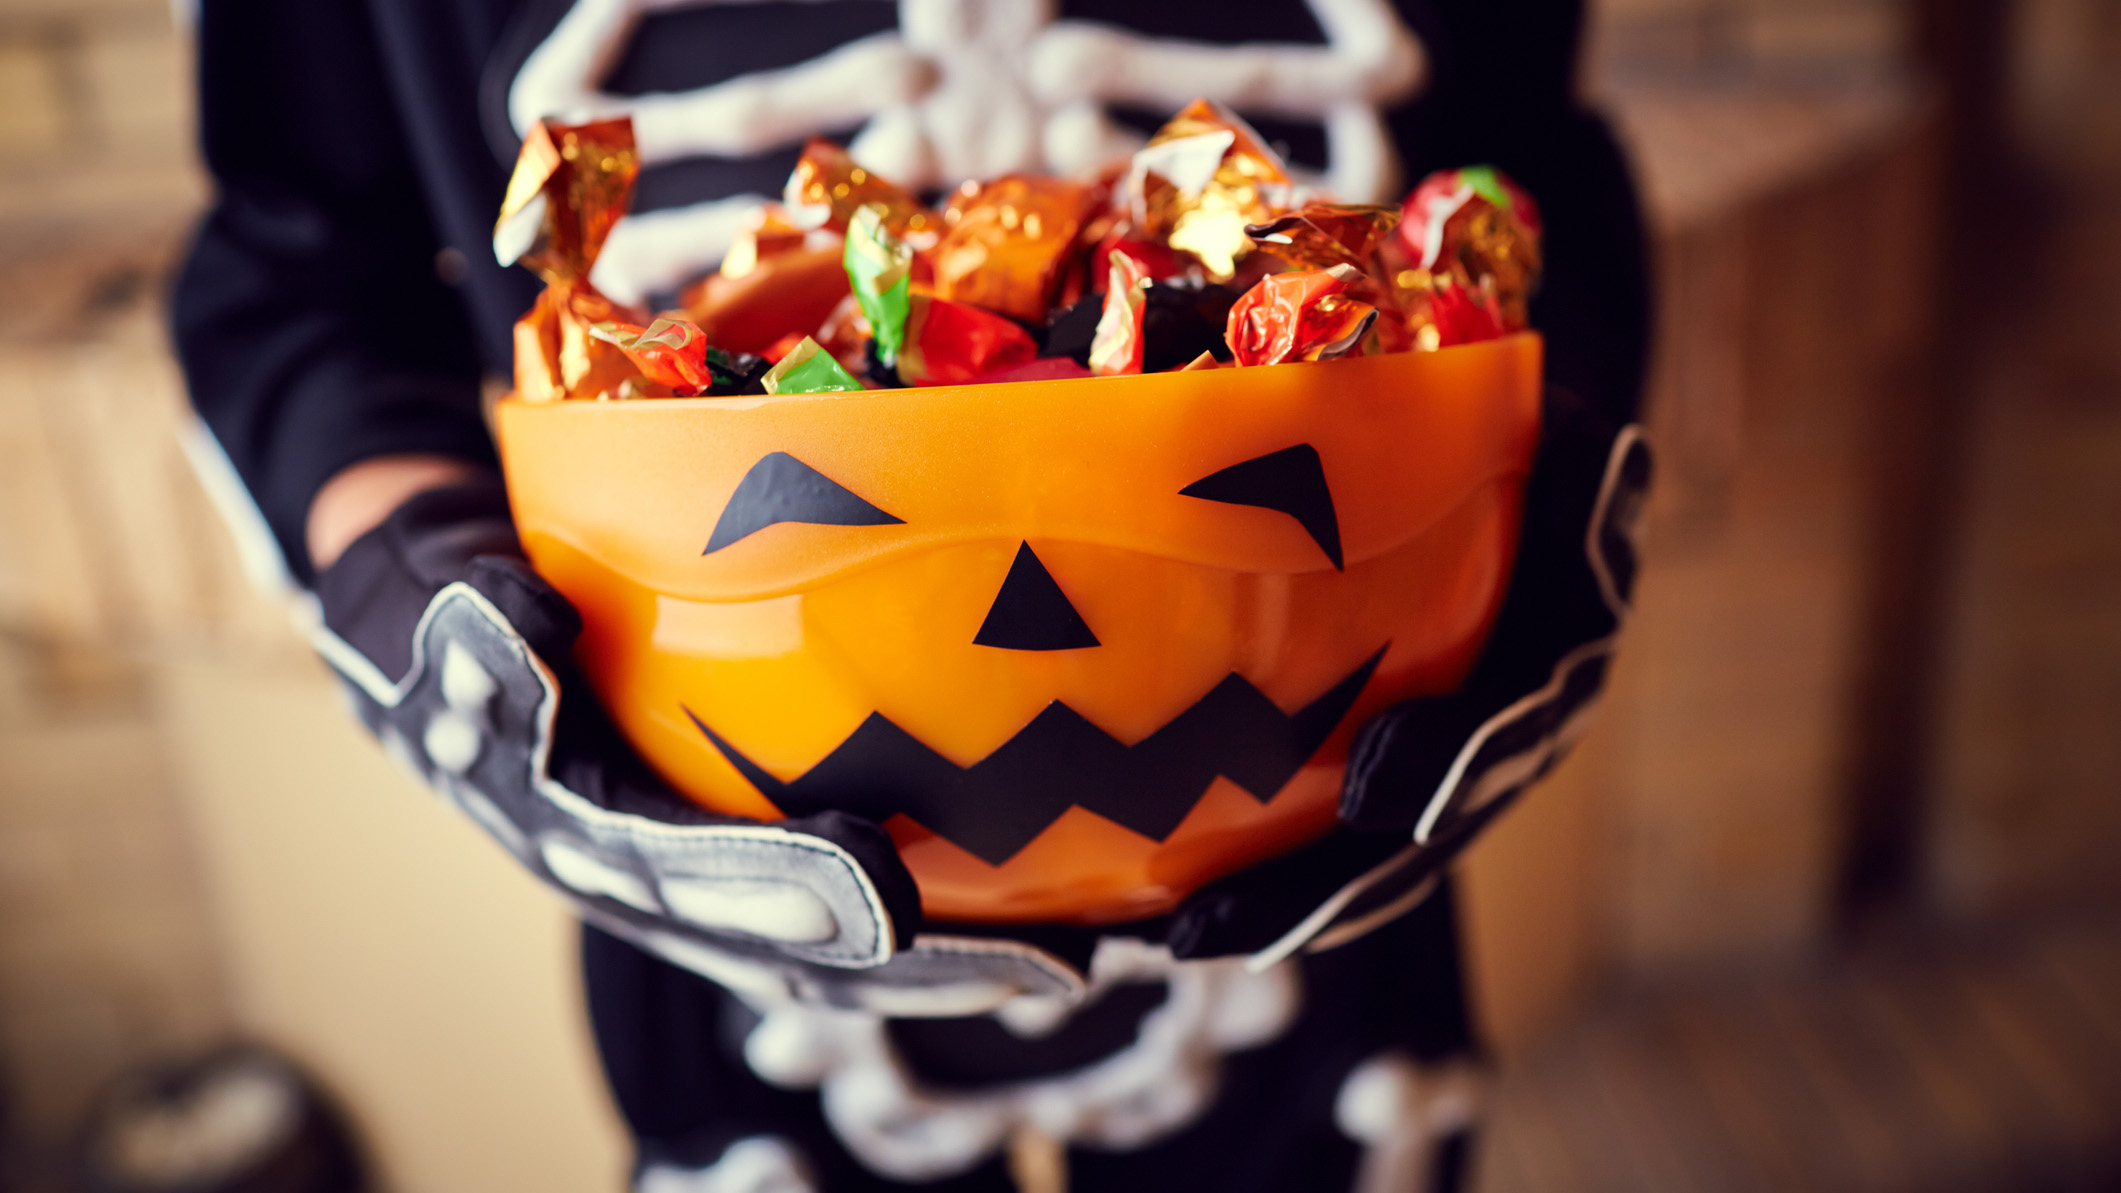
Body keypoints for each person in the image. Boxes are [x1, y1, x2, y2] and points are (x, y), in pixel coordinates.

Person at [174, 1, 1650, 1189]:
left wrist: (1538, 518)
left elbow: (1536, 168)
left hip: (1329, 814)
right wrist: (425, 605)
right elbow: (296, 275)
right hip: (717, 861)